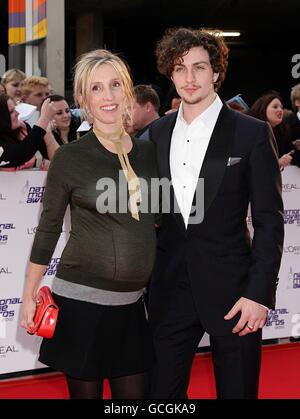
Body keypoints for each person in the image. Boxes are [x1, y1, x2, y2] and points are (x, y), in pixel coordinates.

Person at [147, 27, 284, 399]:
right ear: (170, 74)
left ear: (217, 73)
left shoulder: (251, 133)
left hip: (235, 293)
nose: (189, 78)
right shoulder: (156, 133)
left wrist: (259, 293)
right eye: (179, 69)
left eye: (199, 68)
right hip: (169, 290)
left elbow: (270, 221)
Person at [20, 49, 158, 399]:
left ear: (127, 91)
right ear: (82, 98)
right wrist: (28, 296)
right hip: (81, 306)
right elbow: (49, 228)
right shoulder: (70, 157)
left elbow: (159, 220)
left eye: (115, 85)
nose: (108, 96)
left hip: (131, 307)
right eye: (96, 89)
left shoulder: (149, 154)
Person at [0, 94, 59, 170]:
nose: (17, 113)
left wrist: (47, 130)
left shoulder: (22, 127)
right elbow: (18, 155)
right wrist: (44, 118)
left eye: (15, 108)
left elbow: (52, 155)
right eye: (11, 112)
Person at [249, 91, 300, 168]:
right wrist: (277, 163)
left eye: (281, 107)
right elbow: (250, 165)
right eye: (275, 107)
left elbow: (295, 157)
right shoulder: (251, 133)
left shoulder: (282, 133)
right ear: (263, 109)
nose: (280, 110)